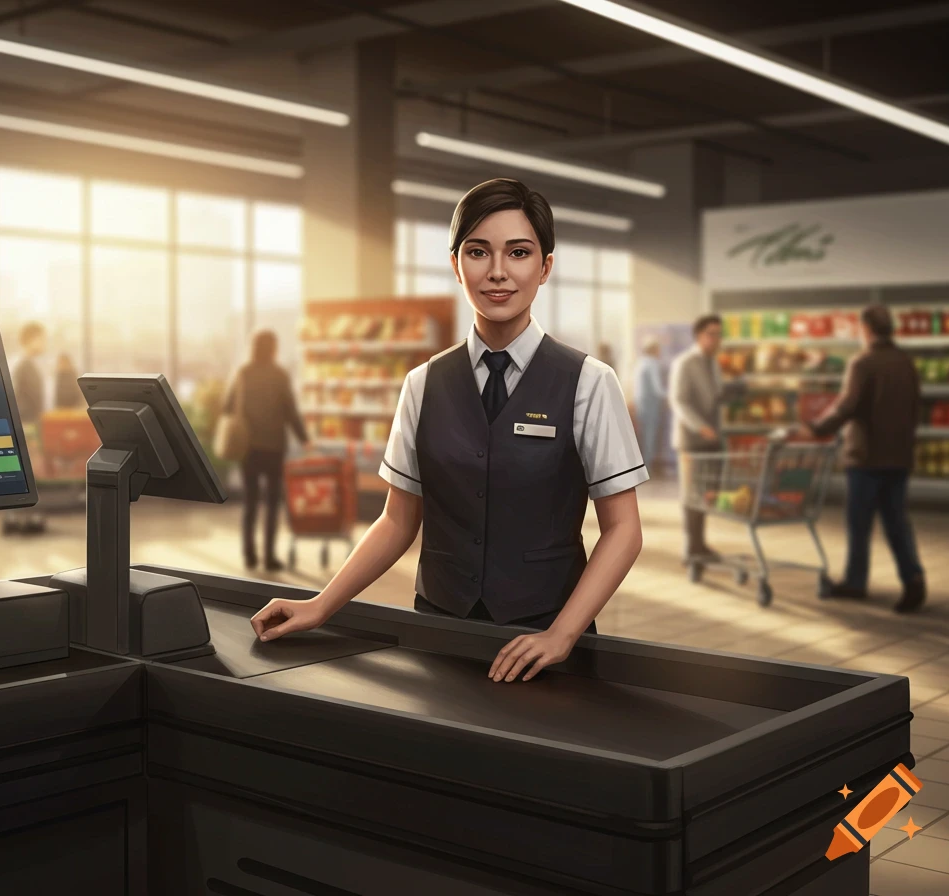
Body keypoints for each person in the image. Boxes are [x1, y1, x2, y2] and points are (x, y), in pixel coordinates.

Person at [250, 178, 648, 683]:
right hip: (439, 627)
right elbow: (397, 520)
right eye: (478, 252)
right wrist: (322, 605)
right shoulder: (423, 384)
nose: (498, 272)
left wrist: (563, 634)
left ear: (545, 267)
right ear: (456, 263)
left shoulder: (589, 383)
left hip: (547, 637)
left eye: (519, 253)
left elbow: (623, 529)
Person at [796, 305, 926, 613]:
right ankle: (914, 579)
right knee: (897, 521)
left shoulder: (863, 362)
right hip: (899, 455)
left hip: (867, 457)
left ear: (866, 329)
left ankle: (856, 582)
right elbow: (915, 406)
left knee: (859, 523)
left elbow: (846, 407)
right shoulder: (906, 362)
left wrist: (815, 428)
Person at [223, 330, 308, 571]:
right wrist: (304, 439)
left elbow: (229, 407)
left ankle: (249, 554)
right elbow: (290, 410)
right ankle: (269, 557)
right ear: (273, 349)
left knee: (250, 501)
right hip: (274, 447)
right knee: (272, 502)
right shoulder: (279, 375)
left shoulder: (243, 373)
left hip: (248, 447)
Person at [669, 315, 738, 564]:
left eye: (719, 334)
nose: (716, 339)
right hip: (692, 440)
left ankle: (700, 545)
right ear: (699, 336)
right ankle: (691, 549)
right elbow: (679, 401)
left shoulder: (714, 364)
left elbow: (715, 396)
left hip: (713, 439)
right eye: (712, 334)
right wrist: (700, 427)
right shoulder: (685, 363)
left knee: (708, 493)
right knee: (692, 494)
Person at [8, 322, 48, 534]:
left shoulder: (29, 364)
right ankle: (23, 519)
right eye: (41, 338)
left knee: (30, 475)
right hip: (28, 425)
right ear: (30, 339)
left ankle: (25, 518)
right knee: (29, 474)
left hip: (30, 424)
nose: (44, 343)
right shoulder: (24, 366)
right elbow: (21, 399)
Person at [633, 337, 667, 470]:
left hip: (641, 406)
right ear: (654, 350)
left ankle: (644, 466)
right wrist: (671, 396)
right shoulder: (652, 364)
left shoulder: (640, 363)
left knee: (644, 437)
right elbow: (657, 389)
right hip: (651, 406)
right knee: (650, 437)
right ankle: (648, 467)